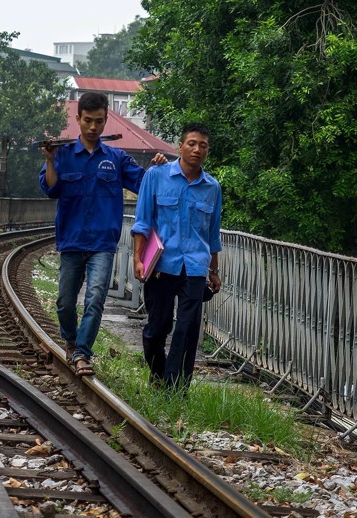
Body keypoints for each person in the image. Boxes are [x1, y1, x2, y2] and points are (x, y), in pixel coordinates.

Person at [39, 92, 166, 377]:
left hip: (102, 243)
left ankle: (83, 353)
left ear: (106, 119)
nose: (93, 127)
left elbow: (143, 185)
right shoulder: (64, 155)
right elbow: (50, 189)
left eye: (99, 121)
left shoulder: (117, 158)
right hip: (71, 240)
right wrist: (49, 160)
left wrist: (156, 169)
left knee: (95, 298)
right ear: (78, 120)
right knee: (64, 302)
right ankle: (71, 341)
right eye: (88, 121)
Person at [132, 122, 222, 392]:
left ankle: (176, 391)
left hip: (195, 267)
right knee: (156, 330)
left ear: (207, 151)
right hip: (161, 265)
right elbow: (142, 222)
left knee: (186, 330)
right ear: (180, 146)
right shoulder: (156, 175)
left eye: (203, 146)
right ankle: (159, 376)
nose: (197, 149)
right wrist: (137, 259)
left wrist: (214, 271)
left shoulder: (212, 187)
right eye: (192, 144)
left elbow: (213, 233)